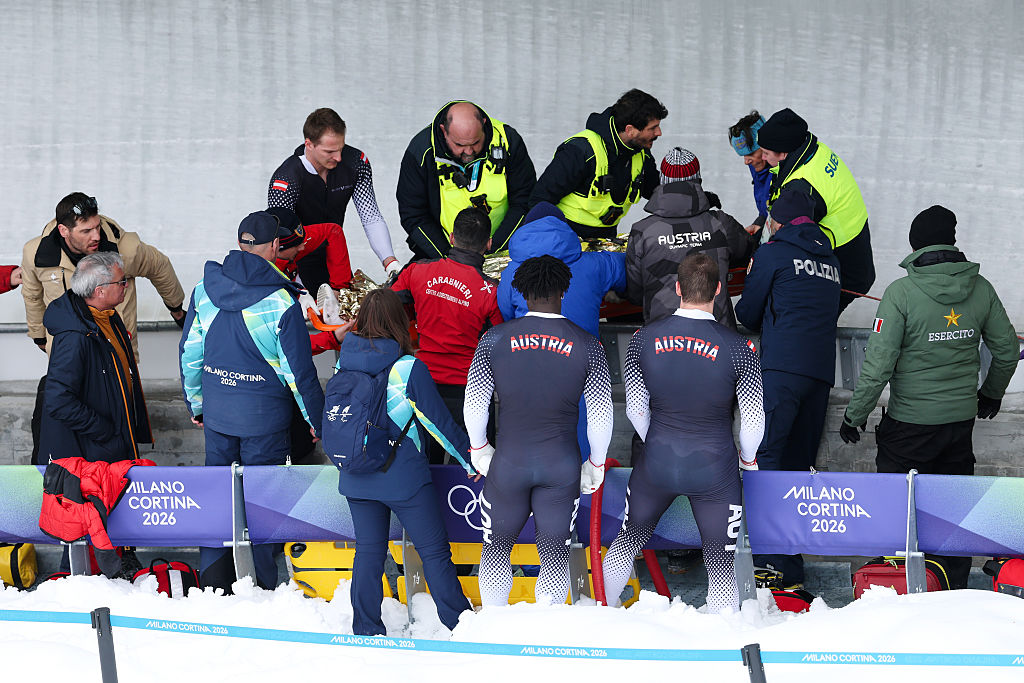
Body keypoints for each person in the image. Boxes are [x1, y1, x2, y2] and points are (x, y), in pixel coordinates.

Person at [840, 205, 1018, 590]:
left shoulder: (901, 293)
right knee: (952, 514)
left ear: (915, 244)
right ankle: (951, 589)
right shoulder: (981, 288)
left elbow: (878, 365)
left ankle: (899, 588)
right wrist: (990, 394)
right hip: (958, 425)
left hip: (908, 427)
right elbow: (1006, 351)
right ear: (951, 241)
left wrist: (855, 416)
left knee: (897, 512)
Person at [601, 252, 764, 612]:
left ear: (677, 288)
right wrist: (747, 461)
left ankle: (604, 616)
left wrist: (655, 441)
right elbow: (753, 419)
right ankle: (723, 643)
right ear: (719, 291)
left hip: (657, 460)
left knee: (627, 542)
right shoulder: (740, 349)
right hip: (715, 468)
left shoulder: (643, 339)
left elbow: (636, 409)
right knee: (720, 563)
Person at [179, 211, 325, 592]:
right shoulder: (279, 301)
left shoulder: (203, 288)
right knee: (263, 502)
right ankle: (258, 585)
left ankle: (213, 582)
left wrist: (196, 403)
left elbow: (189, 354)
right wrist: (317, 421)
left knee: (218, 497)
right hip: (265, 421)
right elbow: (299, 373)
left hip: (218, 416)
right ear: (276, 246)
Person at [465, 255, 614, 606]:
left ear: (520, 291)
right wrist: (596, 463)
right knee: (554, 552)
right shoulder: (589, 345)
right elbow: (601, 415)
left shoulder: (494, 339)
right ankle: (546, 629)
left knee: (497, 548)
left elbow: (474, 405)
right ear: (564, 290)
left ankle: (495, 626)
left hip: (509, 462)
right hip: (560, 465)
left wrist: (479, 448)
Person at [330, 288, 477, 636]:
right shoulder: (408, 368)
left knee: (367, 553)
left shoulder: (343, 361)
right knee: (435, 554)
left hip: (356, 476)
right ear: (402, 321)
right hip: (404, 480)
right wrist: (470, 462)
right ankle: (459, 624)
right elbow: (439, 425)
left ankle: (365, 627)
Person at [21, 192, 184, 465]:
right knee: (80, 413)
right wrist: (39, 334)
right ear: (64, 231)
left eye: (97, 227)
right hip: (74, 348)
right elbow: (32, 294)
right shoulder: (37, 253)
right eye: (86, 231)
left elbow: (159, 266)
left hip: (117, 353)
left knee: (117, 418)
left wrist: (176, 308)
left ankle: (118, 464)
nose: (95, 236)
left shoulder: (125, 250)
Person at [735, 189, 841, 588]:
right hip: (820, 375)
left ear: (776, 222)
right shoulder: (831, 260)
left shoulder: (773, 254)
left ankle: (767, 562)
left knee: (766, 461)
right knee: (799, 467)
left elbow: (747, 313)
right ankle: (790, 565)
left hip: (781, 371)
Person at [39, 252, 152, 579]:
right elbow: (58, 399)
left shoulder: (106, 317)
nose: (127, 286)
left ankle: (119, 575)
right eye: (122, 281)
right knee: (82, 532)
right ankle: (77, 594)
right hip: (90, 454)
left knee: (112, 525)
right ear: (100, 289)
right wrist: (105, 431)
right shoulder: (76, 336)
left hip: (111, 445)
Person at [498, 202, 624, 461]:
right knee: (581, 436)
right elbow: (628, 270)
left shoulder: (511, 273)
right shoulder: (595, 265)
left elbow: (506, 316)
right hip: (580, 364)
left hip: (527, 360)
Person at [391, 207, 503, 463]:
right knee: (473, 470)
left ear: (452, 237)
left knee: (423, 466)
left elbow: (387, 308)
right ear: (488, 244)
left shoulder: (416, 271)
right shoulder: (491, 292)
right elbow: (499, 345)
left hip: (423, 385)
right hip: (471, 393)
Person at [268, 108, 401, 294]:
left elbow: (370, 216)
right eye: (330, 151)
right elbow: (278, 241)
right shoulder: (286, 178)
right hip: (297, 259)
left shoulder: (356, 163)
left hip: (333, 255)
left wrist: (390, 263)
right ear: (309, 144)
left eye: (341, 148)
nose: (338, 158)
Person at [756, 108, 873, 313]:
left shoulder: (802, 186)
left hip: (842, 242)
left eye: (766, 153)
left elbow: (791, 237)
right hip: (853, 223)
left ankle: (817, 323)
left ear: (783, 153)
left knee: (825, 304)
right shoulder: (809, 148)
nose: (763, 158)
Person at [625, 147, 754, 328]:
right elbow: (749, 252)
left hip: (662, 338)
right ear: (698, 180)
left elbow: (636, 294)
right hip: (718, 338)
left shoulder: (642, 231)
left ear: (663, 182)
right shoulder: (721, 223)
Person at [397, 101, 536, 260]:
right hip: (443, 254)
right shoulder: (421, 151)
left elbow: (525, 200)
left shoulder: (508, 140)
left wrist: (494, 251)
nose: (469, 152)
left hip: (502, 249)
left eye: (476, 142)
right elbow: (413, 215)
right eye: (460, 145)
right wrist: (450, 259)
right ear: (444, 131)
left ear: (483, 125)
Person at [530, 89, 666, 239]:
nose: (659, 133)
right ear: (630, 130)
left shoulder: (641, 153)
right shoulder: (580, 151)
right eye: (652, 128)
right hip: (564, 240)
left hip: (605, 241)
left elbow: (657, 193)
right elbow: (539, 201)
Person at [728, 110, 772, 237]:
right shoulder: (758, 163)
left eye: (751, 154)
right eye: (743, 156)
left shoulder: (784, 171)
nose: (746, 162)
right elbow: (766, 211)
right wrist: (759, 223)